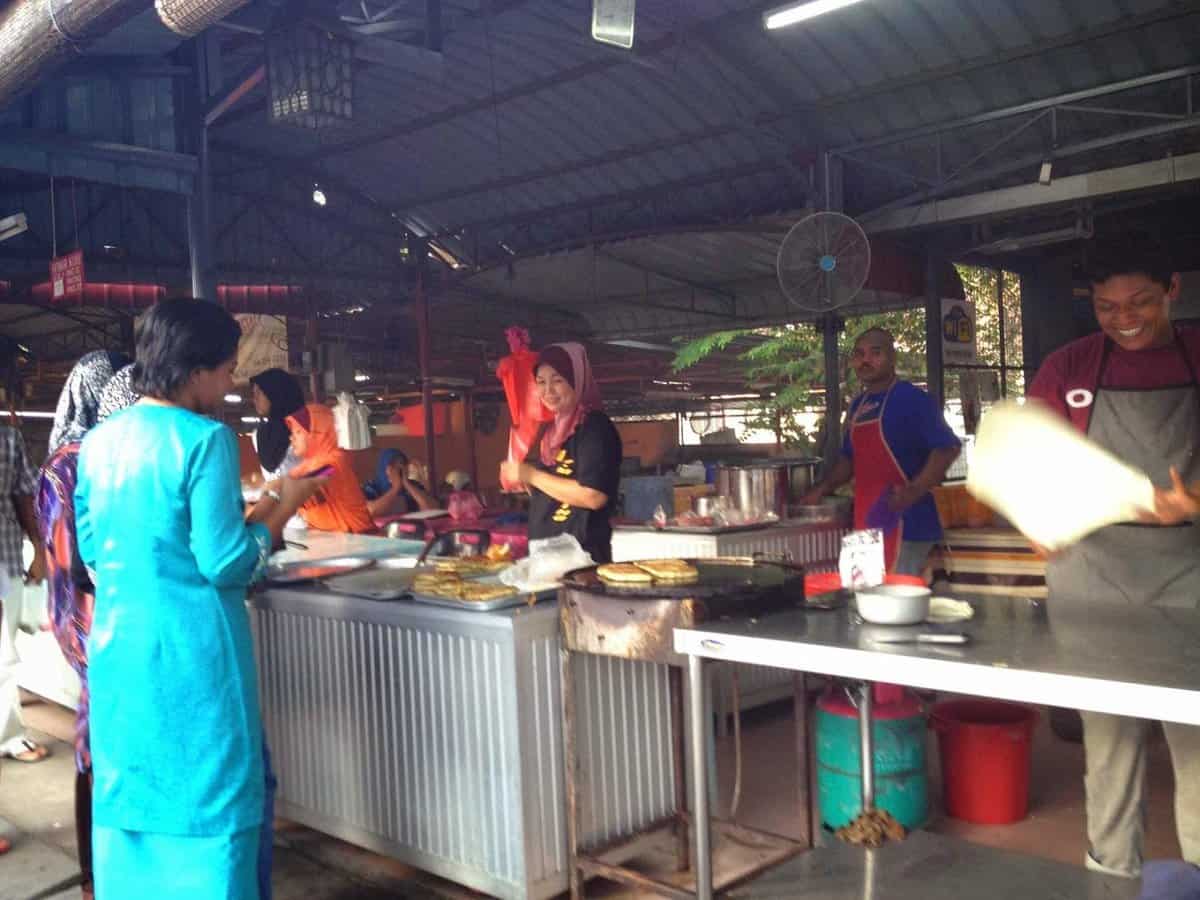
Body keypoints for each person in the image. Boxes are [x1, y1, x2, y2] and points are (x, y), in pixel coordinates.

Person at [75, 298, 320, 899]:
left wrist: (253, 518)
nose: (231, 381)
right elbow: (225, 562)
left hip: (121, 663)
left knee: (135, 814)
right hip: (193, 663)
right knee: (212, 814)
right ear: (193, 372)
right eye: (227, 368)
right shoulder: (206, 440)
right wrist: (282, 506)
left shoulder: (99, 443)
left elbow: (95, 556)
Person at [1027, 237, 1200, 878]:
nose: (1123, 317)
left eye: (1140, 302)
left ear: (1173, 288)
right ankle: (1112, 882)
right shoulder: (1071, 366)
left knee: (1198, 750)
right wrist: (1035, 512)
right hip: (1093, 587)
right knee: (1110, 752)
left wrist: (1195, 500)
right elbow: (1032, 458)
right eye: (1106, 306)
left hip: (1192, 585)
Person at [36, 350, 136, 898]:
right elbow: (79, 557)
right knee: (99, 743)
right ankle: (100, 876)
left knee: (95, 736)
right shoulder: (77, 461)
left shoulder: (65, 457)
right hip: (89, 612)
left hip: (77, 609)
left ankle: (99, 874)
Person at [802, 327, 961, 575]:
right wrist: (820, 490)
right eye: (859, 354)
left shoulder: (912, 399)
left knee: (897, 605)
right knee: (862, 598)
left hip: (908, 524)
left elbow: (947, 448)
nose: (866, 360)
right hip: (866, 523)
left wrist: (914, 490)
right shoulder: (857, 405)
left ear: (892, 358)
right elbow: (849, 460)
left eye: (875, 353)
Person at [499, 342, 621, 563]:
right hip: (548, 557)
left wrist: (531, 475)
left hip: (582, 562)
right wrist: (524, 481)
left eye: (557, 381)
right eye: (541, 382)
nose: (548, 391)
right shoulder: (551, 432)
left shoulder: (594, 427)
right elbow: (558, 489)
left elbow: (593, 496)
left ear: (577, 380)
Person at [0, 417, 48, 765]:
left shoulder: (8, 438)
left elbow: (23, 494)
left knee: (3, 653)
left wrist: (39, 549)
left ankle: (10, 736)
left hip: (3, 559)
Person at [286, 404, 376, 534]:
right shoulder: (308, 465)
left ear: (318, 433)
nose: (291, 437)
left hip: (360, 542)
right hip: (334, 542)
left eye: (298, 432)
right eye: (292, 432)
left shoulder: (334, 462)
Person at [249, 369, 305, 482]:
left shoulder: (306, 429)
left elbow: (327, 469)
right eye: (254, 393)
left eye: (259, 392)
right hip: (280, 499)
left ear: (276, 393)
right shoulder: (259, 435)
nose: (254, 399)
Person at [363, 448, 438, 517]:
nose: (398, 470)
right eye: (393, 466)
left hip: (410, 529)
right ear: (384, 468)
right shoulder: (371, 488)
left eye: (402, 465)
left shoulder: (413, 486)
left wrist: (407, 484)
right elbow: (370, 511)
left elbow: (433, 511)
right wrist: (396, 488)